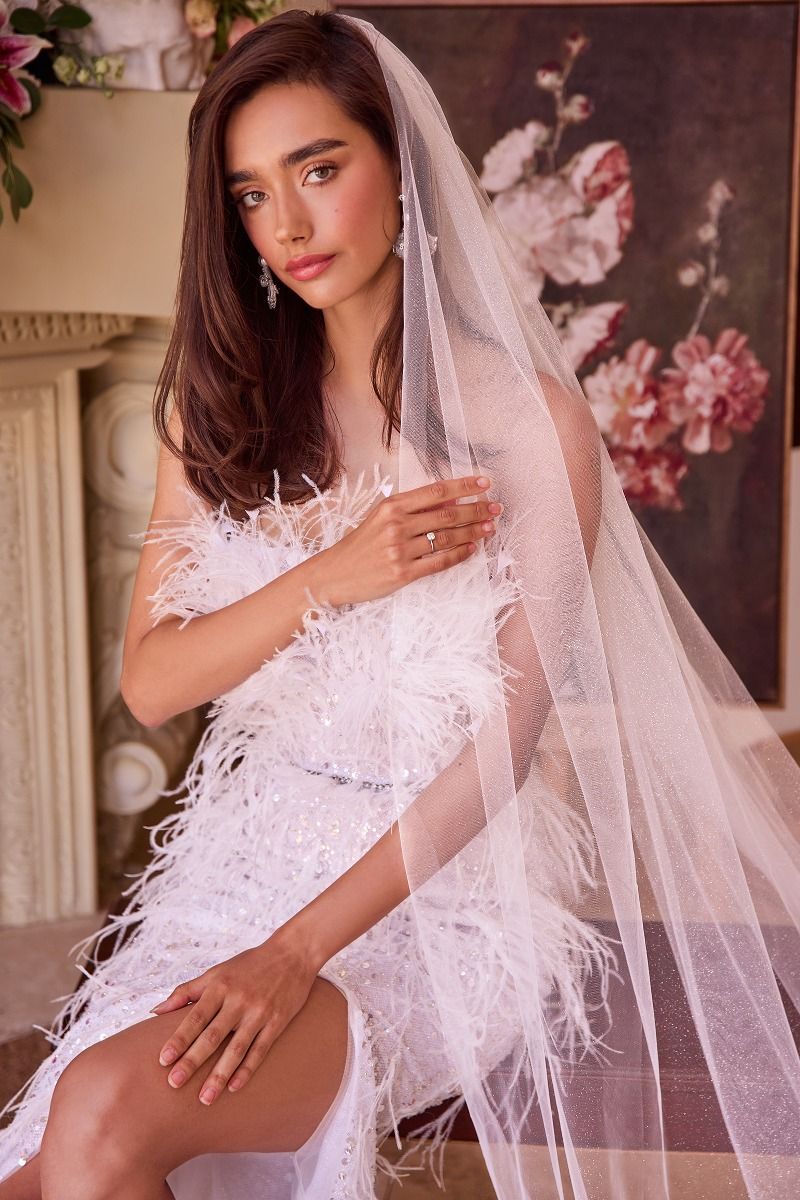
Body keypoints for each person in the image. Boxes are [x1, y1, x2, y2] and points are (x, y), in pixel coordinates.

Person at [1, 8, 799, 1199]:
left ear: (399, 166)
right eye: (253, 194)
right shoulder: (213, 411)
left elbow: (506, 739)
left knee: (107, 1115)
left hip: (438, 901)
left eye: (318, 169)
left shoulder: (527, 429)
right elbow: (154, 679)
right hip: (232, 868)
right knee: (60, 1147)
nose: (289, 224)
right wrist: (331, 574)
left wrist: (295, 954)